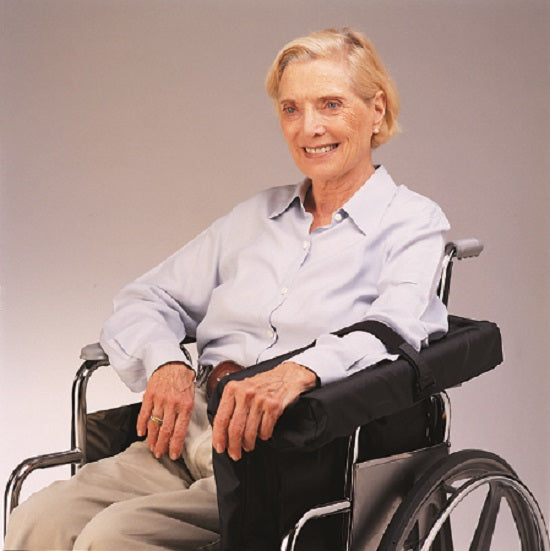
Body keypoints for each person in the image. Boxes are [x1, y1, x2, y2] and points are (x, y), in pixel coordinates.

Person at [5, 27, 449, 550]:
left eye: (330, 104)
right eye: (291, 109)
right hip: (187, 431)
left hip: (287, 454)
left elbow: (396, 327)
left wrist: (299, 371)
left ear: (376, 110)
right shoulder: (255, 218)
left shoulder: (410, 222)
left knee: (113, 539)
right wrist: (166, 363)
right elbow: (146, 298)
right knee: (39, 519)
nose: (309, 128)